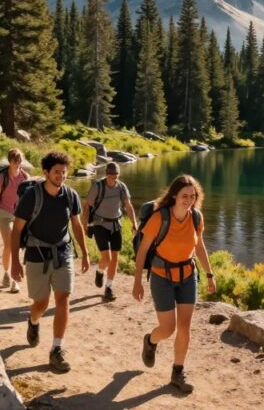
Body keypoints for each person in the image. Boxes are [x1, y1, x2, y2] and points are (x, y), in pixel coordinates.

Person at [132, 174, 216, 394]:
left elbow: (199, 247)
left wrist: (209, 274)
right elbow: (142, 251)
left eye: (192, 196)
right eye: (184, 196)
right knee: (167, 329)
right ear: (174, 196)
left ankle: (177, 373)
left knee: (185, 327)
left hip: (188, 277)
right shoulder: (160, 218)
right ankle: (150, 341)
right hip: (162, 277)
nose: (188, 200)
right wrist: (137, 281)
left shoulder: (196, 217)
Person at [10, 151, 89, 374]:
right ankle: (33, 321)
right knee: (41, 305)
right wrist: (15, 262)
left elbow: (76, 225)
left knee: (63, 298)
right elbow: (16, 231)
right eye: (57, 172)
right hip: (36, 255)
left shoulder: (71, 195)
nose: (61, 176)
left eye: (64, 172)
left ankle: (56, 350)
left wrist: (84, 252)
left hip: (63, 252)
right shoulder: (32, 196)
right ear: (46, 172)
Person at [85, 162, 138, 302]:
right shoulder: (98, 186)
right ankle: (99, 271)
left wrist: (134, 223)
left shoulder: (121, 187)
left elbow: (128, 205)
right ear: (106, 174)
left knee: (115, 257)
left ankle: (108, 287)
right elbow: (87, 206)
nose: (114, 178)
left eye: (116, 175)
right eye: (111, 175)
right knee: (107, 258)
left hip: (116, 224)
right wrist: (86, 225)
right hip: (99, 224)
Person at [0, 148, 30, 293]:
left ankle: (11, 277)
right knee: (10, 245)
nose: (17, 164)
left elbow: (28, 199)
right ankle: (10, 276)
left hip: (19, 215)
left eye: (19, 161)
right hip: (4, 214)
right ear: (10, 161)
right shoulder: (2, 177)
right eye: (15, 161)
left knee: (15, 245)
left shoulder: (25, 177)